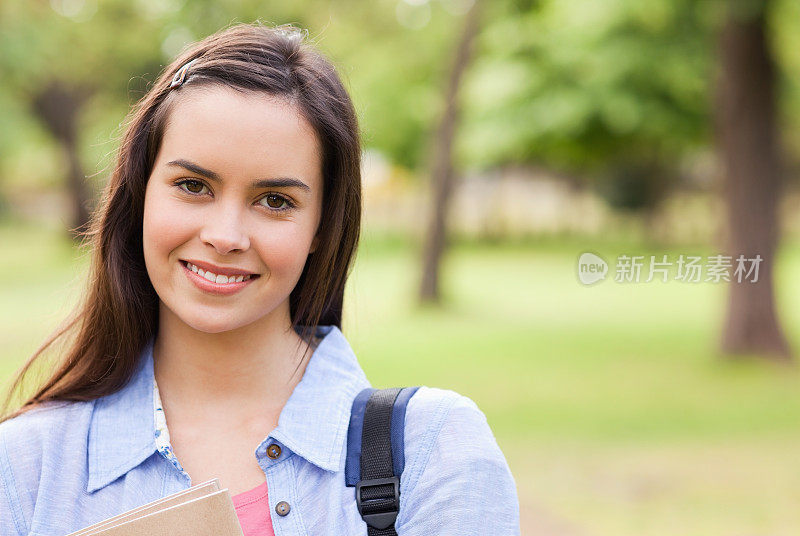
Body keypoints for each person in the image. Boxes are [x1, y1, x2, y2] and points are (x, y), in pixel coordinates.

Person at [0, 22, 520, 535]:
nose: (226, 236)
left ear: (322, 227)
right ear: (140, 195)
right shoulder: (28, 470)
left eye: (275, 201)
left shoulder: (434, 452)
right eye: (193, 185)